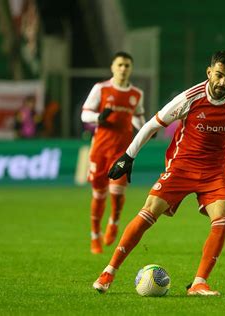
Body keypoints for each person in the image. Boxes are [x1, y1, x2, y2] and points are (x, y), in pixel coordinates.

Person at [92, 51, 225, 296]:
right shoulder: (191, 97)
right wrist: (128, 156)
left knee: (224, 213)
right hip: (182, 166)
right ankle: (109, 271)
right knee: (150, 208)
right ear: (209, 73)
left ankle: (198, 283)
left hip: (214, 172)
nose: (223, 83)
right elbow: (153, 124)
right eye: (219, 75)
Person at [81, 51, 146, 254]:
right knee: (99, 195)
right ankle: (94, 235)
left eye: (127, 65)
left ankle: (114, 221)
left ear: (131, 68)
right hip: (100, 149)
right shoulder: (101, 89)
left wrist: (145, 129)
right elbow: (85, 114)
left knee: (117, 194)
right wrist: (98, 118)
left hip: (122, 151)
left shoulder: (137, 94)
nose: (123, 69)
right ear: (112, 67)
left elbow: (137, 117)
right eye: (120, 65)